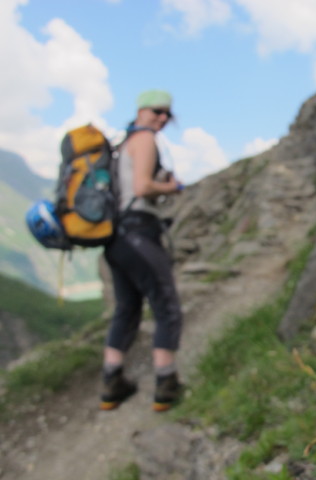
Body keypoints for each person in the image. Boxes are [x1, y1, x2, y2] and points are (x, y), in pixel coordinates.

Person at [100, 89, 184, 412]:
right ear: (141, 110)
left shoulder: (120, 145)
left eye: (167, 114)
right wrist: (173, 187)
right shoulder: (145, 139)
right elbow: (142, 187)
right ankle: (166, 383)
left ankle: (112, 381)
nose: (162, 118)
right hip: (139, 233)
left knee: (127, 308)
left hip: (115, 239)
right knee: (166, 304)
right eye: (157, 111)